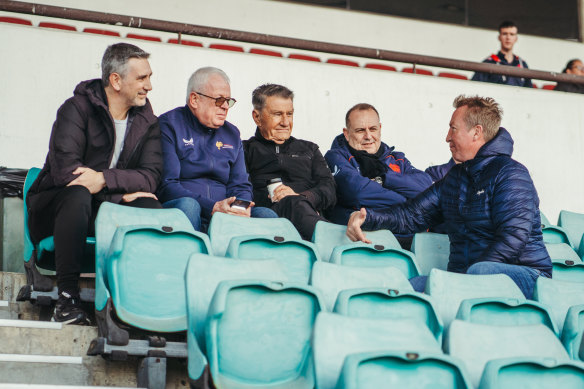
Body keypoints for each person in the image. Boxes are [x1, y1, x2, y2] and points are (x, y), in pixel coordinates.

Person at [346, 95, 551, 299]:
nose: (447, 137)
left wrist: (466, 279)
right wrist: (367, 217)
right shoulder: (455, 178)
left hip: (527, 276)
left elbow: (513, 238)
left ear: (476, 132)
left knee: (480, 272)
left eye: (453, 128)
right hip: (468, 278)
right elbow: (411, 216)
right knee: (414, 286)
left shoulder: (511, 174)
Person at [27, 43, 163, 324]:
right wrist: (119, 192)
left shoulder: (147, 121)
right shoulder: (75, 109)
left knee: (149, 204)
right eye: (141, 78)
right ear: (116, 80)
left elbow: (150, 176)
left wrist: (104, 180)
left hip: (102, 211)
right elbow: (68, 173)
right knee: (77, 194)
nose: (149, 86)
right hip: (55, 212)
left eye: (149, 77)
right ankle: (67, 300)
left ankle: (137, 305)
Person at [157, 67, 276, 231]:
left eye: (229, 101)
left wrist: (239, 208)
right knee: (189, 205)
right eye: (220, 100)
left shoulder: (232, 133)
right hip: (185, 209)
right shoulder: (169, 125)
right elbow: (167, 185)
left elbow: (240, 185)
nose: (226, 107)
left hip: (224, 213)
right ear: (194, 99)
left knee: (266, 215)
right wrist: (212, 207)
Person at [324, 103, 432, 248]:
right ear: (347, 133)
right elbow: (358, 193)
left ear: (380, 129)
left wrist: (383, 180)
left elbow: (426, 187)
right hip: (364, 240)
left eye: (373, 129)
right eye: (360, 130)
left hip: (410, 239)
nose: (368, 136)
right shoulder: (335, 157)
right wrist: (410, 203)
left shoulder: (397, 159)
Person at [243, 84, 336, 240]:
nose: (285, 122)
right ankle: (330, 240)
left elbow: (330, 189)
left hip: (307, 214)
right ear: (257, 117)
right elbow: (239, 188)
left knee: (295, 202)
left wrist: (303, 197)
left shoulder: (309, 149)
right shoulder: (244, 150)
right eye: (277, 114)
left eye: (290, 114)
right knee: (290, 203)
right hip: (268, 218)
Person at [471, 21, 533, 88]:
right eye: (504, 34)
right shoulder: (489, 62)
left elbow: (530, 91)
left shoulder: (522, 64)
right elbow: (475, 87)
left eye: (512, 34)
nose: (508, 38)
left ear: (516, 39)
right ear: (499, 37)